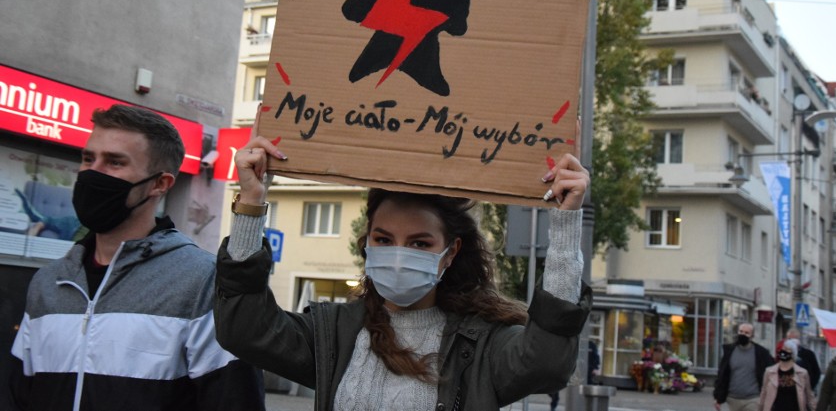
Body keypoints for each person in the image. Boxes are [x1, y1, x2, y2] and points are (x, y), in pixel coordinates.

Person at [214, 128, 592, 410]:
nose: (398, 254)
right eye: (383, 239)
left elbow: (546, 363)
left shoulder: (481, 347)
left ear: (450, 253)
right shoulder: (334, 333)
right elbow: (245, 330)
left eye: (419, 244)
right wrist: (250, 201)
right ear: (367, 243)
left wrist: (565, 225)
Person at [9, 104, 265, 411]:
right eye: (88, 158)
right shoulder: (49, 282)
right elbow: (18, 396)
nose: (93, 172)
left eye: (114, 163)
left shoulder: (201, 282)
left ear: (160, 184)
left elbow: (233, 401)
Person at [714, 322, 776, 411]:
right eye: (741, 331)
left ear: (752, 336)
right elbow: (722, 375)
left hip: (753, 398)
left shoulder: (761, 353)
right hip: (733, 399)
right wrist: (718, 397)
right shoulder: (730, 351)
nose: (743, 335)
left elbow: (771, 373)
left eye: (747, 333)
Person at [758, 340, 816, 411]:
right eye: (783, 349)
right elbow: (763, 394)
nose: (783, 351)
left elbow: (809, 396)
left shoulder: (802, 373)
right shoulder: (770, 372)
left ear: (793, 354)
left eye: (787, 350)